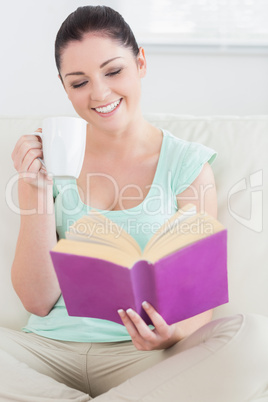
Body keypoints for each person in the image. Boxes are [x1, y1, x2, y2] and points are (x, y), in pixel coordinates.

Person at [1, 5, 267, 401]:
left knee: (255, 339)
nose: (100, 93)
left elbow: (200, 300)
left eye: (113, 71)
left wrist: (170, 335)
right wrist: (34, 189)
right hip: (48, 354)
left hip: (145, 361)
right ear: (63, 86)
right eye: (79, 82)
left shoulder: (187, 165)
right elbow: (38, 302)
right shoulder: (51, 165)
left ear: (140, 62)